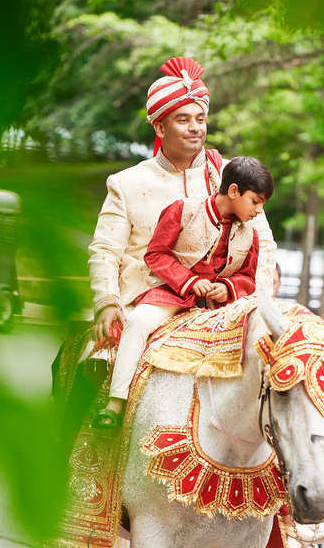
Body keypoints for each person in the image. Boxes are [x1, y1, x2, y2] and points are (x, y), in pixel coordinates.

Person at [87, 56, 276, 348]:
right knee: (99, 362)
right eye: (183, 120)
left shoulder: (230, 175)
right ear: (160, 128)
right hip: (146, 304)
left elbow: (262, 244)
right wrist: (106, 302)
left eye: (200, 119)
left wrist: (253, 303)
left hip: (222, 308)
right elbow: (105, 251)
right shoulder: (126, 183)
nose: (195, 128)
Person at [92, 155, 274, 427]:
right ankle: (115, 403)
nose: (259, 211)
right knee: (139, 322)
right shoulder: (183, 210)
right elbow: (156, 255)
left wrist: (227, 287)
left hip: (218, 308)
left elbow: (248, 277)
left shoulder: (251, 234)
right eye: (255, 201)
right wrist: (189, 281)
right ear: (234, 191)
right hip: (172, 293)